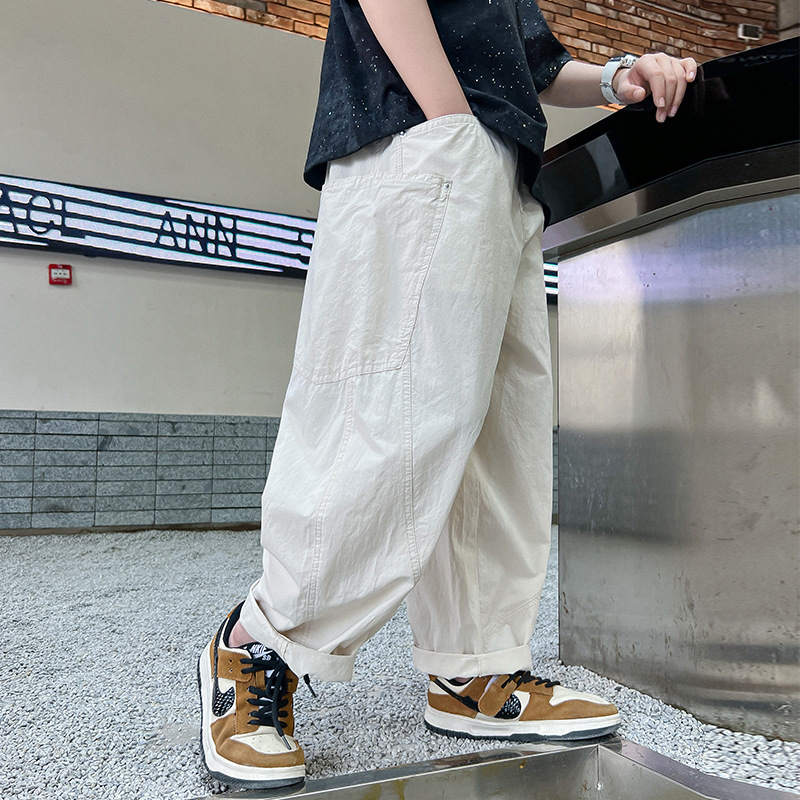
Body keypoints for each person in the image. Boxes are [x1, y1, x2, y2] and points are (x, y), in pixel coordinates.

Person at [197, 0, 696, 789]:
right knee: (390, 412)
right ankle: (260, 641)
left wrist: (614, 77)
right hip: (421, 139)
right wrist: (453, 122)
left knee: (497, 433)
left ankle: (475, 664)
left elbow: (529, 61)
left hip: (500, 163)